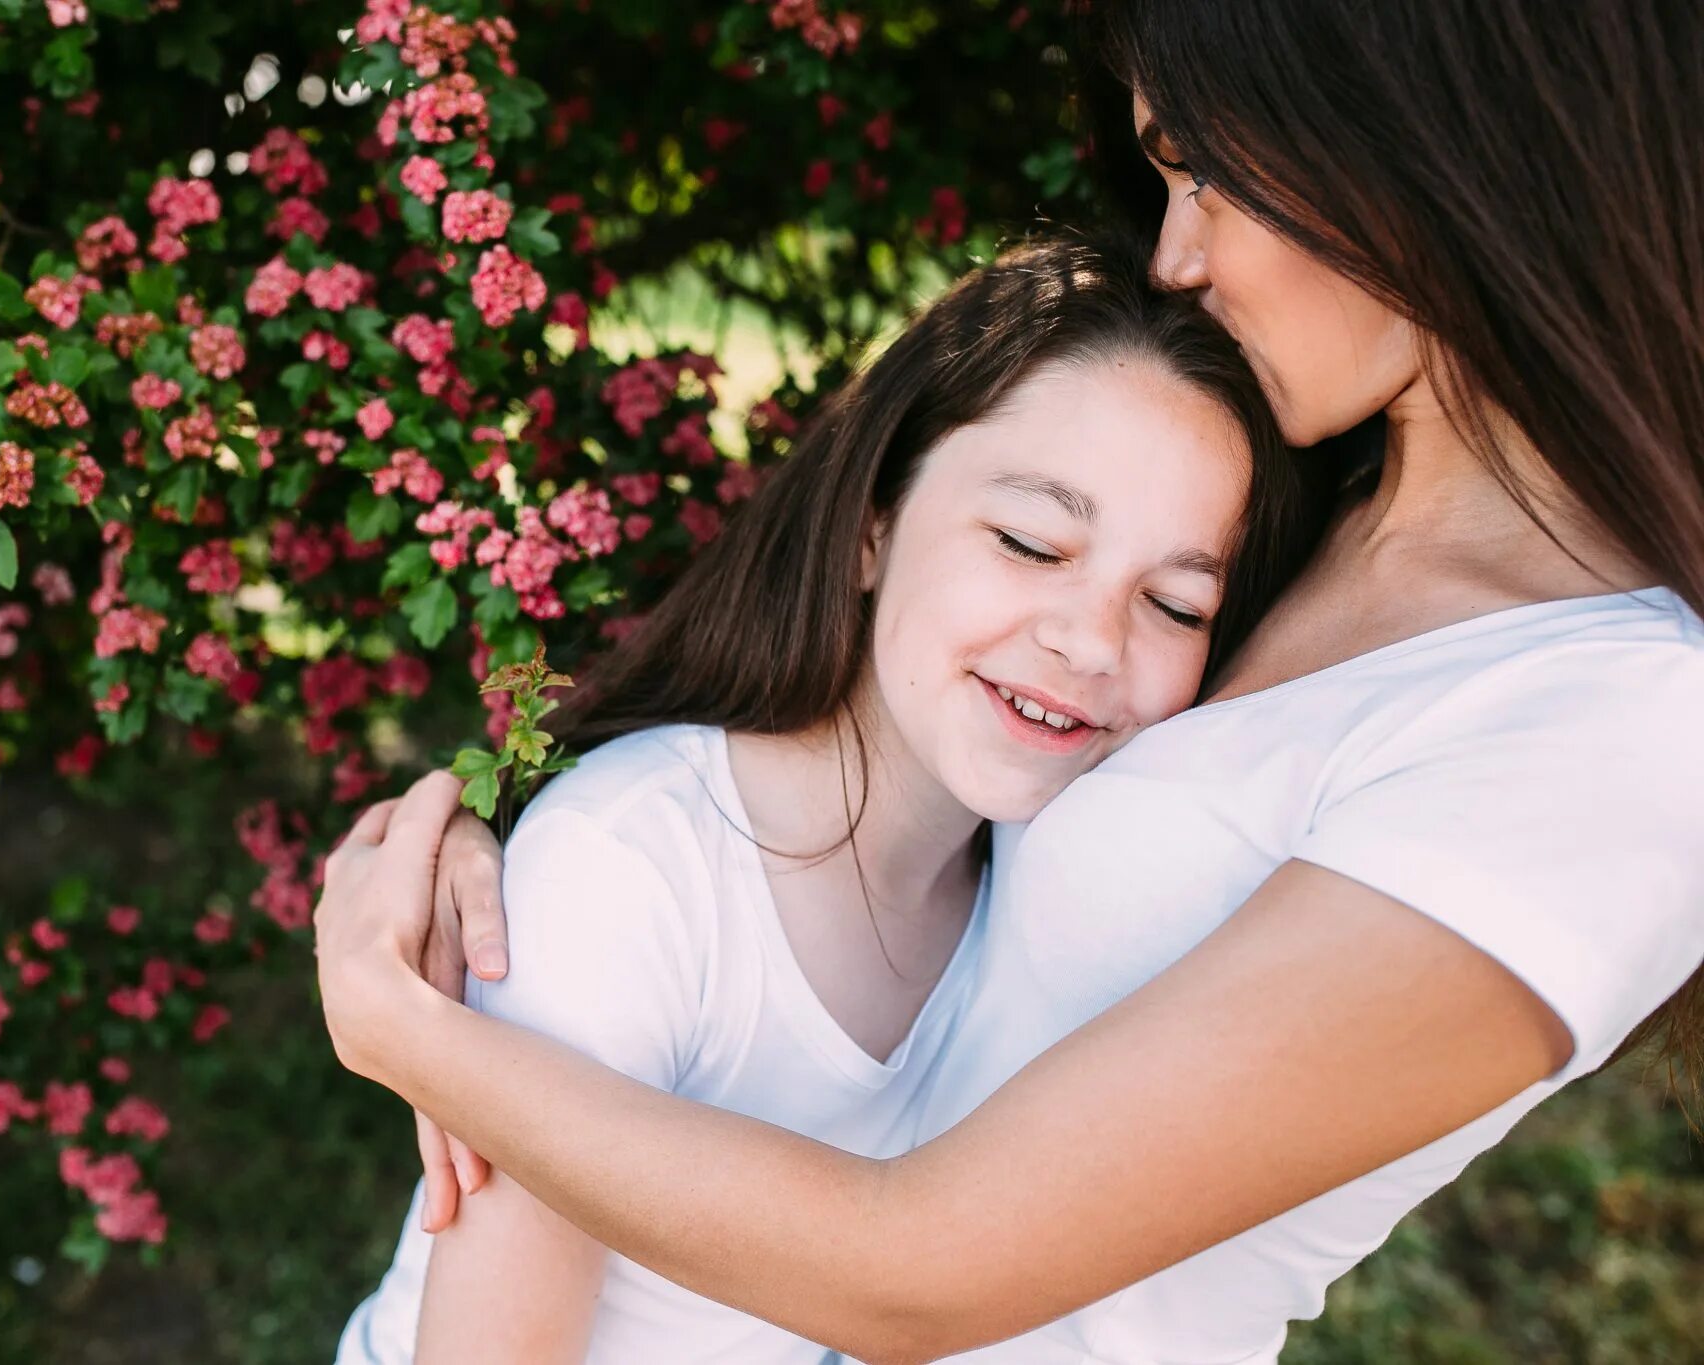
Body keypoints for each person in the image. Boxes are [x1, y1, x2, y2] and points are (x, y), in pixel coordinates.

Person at [315, 3, 1704, 1361]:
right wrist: (550, 900)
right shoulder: (1298, 514)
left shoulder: (1620, 722)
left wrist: (417, 1033)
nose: (1179, 256)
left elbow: (916, 1271)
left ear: (1424, 144)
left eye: (1207, 171)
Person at [334, 232, 1317, 1365]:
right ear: (872, 524)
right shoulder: (636, 867)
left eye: (1177, 605)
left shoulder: (1043, 887)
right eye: (1029, 541)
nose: (1089, 641)